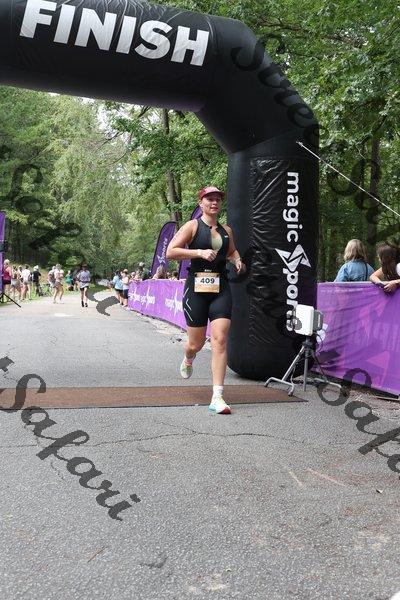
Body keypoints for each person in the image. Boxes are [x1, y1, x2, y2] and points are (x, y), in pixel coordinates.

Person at [166, 185, 245, 415]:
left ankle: (217, 397)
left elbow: (231, 251)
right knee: (196, 344)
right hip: (196, 290)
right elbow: (171, 252)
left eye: (218, 199)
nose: (214, 202)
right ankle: (188, 356)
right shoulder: (192, 226)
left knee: (220, 339)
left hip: (221, 288)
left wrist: (237, 260)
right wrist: (198, 252)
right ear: (201, 203)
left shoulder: (227, 230)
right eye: (209, 199)